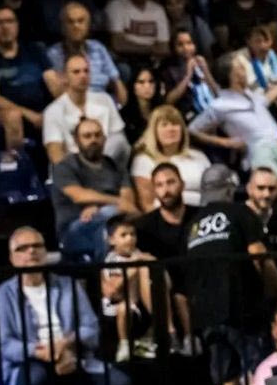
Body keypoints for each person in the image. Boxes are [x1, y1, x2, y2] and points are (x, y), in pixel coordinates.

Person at [0, 227, 131, 385]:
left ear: (46, 252)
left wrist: (66, 345)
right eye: (23, 248)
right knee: (37, 379)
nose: (31, 251)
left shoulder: (68, 285)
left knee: (120, 384)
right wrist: (42, 352)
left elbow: (90, 328)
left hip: (74, 354)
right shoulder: (1, 295)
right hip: (29, 362)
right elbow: (4, 343)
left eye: (37, 246)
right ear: (12, 258)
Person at [187, 164, 277, 385]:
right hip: (242, 308)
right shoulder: (240, 212)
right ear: (230, 189)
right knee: (258, 371)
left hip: (207, 313)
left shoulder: (193, 224)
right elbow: (258, 254)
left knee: (225, 379)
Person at [51, 118, 138, 264]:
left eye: (97, 135)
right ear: (76, 141)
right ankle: (107, 269)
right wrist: (112, 203)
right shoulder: (64, 167)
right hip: (73, 230)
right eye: (87, 136)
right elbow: (79, 196)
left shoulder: (115, 166)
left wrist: (100, 207)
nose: (93, 140)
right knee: (109, 215)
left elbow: (127, 202)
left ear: (104, 138)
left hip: (114, 222)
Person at [133, 162, 198, 352]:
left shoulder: (200, 216)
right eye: (159, 185)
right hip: (164, 285)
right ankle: (170, 335)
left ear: (182, 184)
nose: (166, 190)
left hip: (198, 280)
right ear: (154, 190)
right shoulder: (144, 226)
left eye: (171, 182)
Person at [0, 5, 60, 150]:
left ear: (17, 25)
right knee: (13, 116)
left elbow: (54, 84)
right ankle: (17, 163)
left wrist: (59, 108)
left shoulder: (35, 50)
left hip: (43, 110)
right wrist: (31, 115)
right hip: (7, 114)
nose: (5, 27)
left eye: (9, 21)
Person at [188, 54, 277, 167]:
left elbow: (265, 100)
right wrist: (225, 142)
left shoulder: (249, 94)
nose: (246, 70)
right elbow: (192, 130)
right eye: (241, 68)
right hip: (260, 160)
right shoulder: (219, 106)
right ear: (233, 76)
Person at [100, 215, 170, 362]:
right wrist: (133, 267)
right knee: (123, 308)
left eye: (132, 234)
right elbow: (113, 291)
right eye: (123, 235)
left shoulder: (139, 255)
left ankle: (158, 333)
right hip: (115, 309)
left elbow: (162, 277)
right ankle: (124, 344)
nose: (130, 239)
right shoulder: (111, 260)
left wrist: (153, 263)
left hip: (138, 306)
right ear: (111, 240)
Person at [42, 54, 129, 164]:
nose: (83, 75)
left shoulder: (105, 100)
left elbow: (120, 142)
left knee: (120, 141)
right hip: (73, 167)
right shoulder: (52, 111)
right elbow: (55, 154)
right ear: (64, 77)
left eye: (86, 71)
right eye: (76, 72)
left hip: (104, 164)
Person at [130, 104, 211, 208]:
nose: (171, 129)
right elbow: (147, 205)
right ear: (154, 131)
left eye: (175, 124)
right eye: (164, 125)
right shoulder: (143, 160)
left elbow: (214, 191)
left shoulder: (198, 156)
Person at [47, 2, 125, 104]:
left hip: (104, 104)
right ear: (63, 27)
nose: (76, 26)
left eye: (80, 21)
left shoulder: (98, 48)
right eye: (70, 22)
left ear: (88, 25)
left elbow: (116, 82)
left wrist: (117, 106)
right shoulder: (53, 53)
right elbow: (58, 93)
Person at [104, 0, 170, 61]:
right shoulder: (116, 6)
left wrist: (132, 46)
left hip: (153, 62)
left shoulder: (158, 10)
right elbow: (118, 45)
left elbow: (164, 48)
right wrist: (151, 49)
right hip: (124, 60)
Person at [233, 25, 277, 116]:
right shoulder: (241, 61)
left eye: (266, 41)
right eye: (258, 41)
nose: (263, 45)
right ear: (249, 42)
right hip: (255, 107)